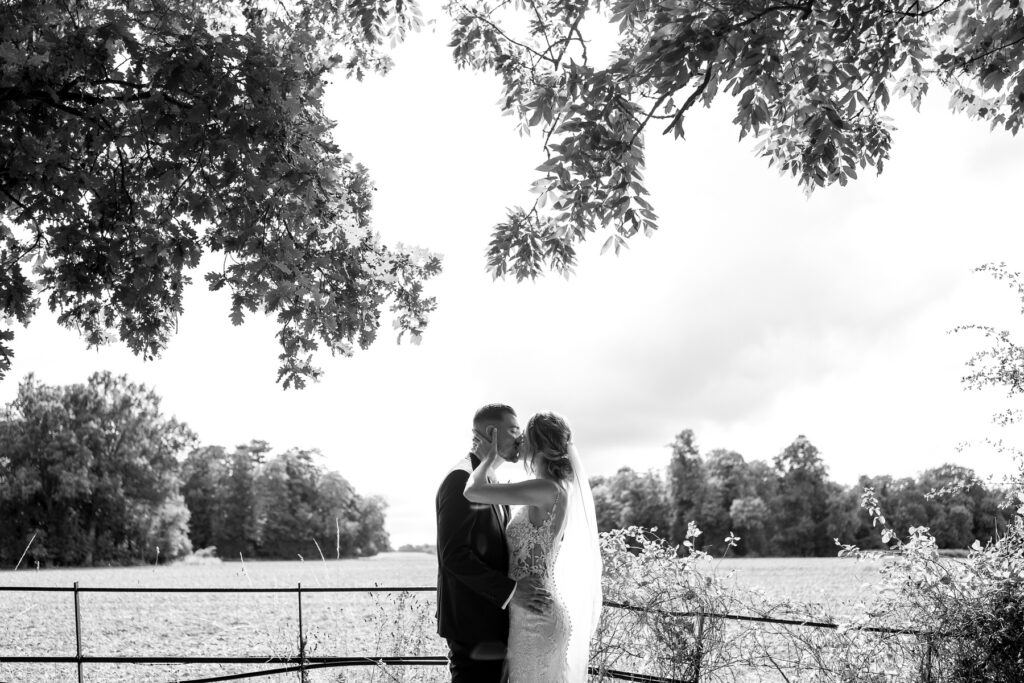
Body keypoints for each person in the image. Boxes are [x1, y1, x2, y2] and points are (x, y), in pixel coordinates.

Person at [464, 411, 602, 682]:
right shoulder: (553, 489)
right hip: (530, 612)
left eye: (523, 434)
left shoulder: (546, 489)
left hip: (536, 618)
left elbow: (472, 490)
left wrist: (488, 458)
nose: (519, 439)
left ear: (537, 445)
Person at [435, 404, 551, 683]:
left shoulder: (491, 482)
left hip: (495, 624)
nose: (521, 437)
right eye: (513, 430)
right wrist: (512, 591)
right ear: (491, 432)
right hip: (471, 626)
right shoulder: (459, 479)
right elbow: (454, 555)